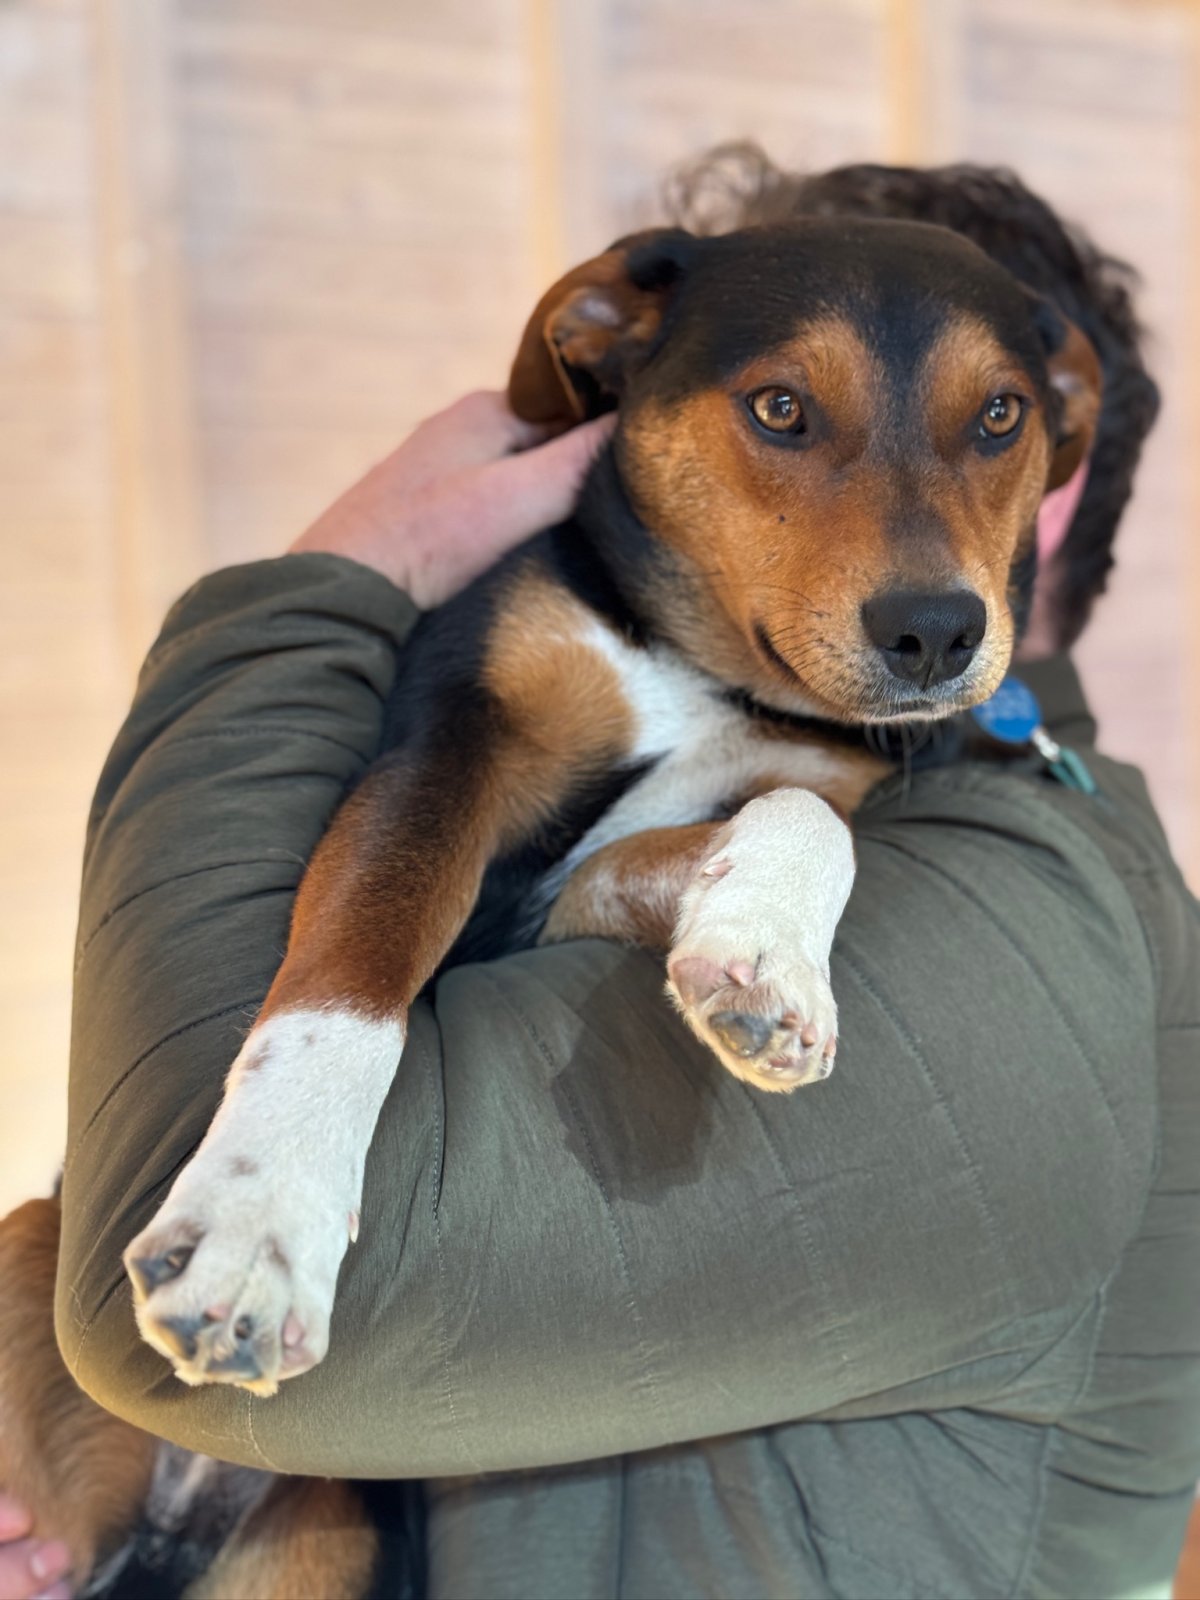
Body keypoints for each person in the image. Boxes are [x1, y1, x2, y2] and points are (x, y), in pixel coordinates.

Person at [4, 255, 1199, 1600]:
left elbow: (168, 1328)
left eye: (987, 423)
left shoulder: (1016, 907)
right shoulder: (693, 703)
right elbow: (523, 894)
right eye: (787, 418)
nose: (891, 502)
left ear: (1059, 451)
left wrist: (345, 569)